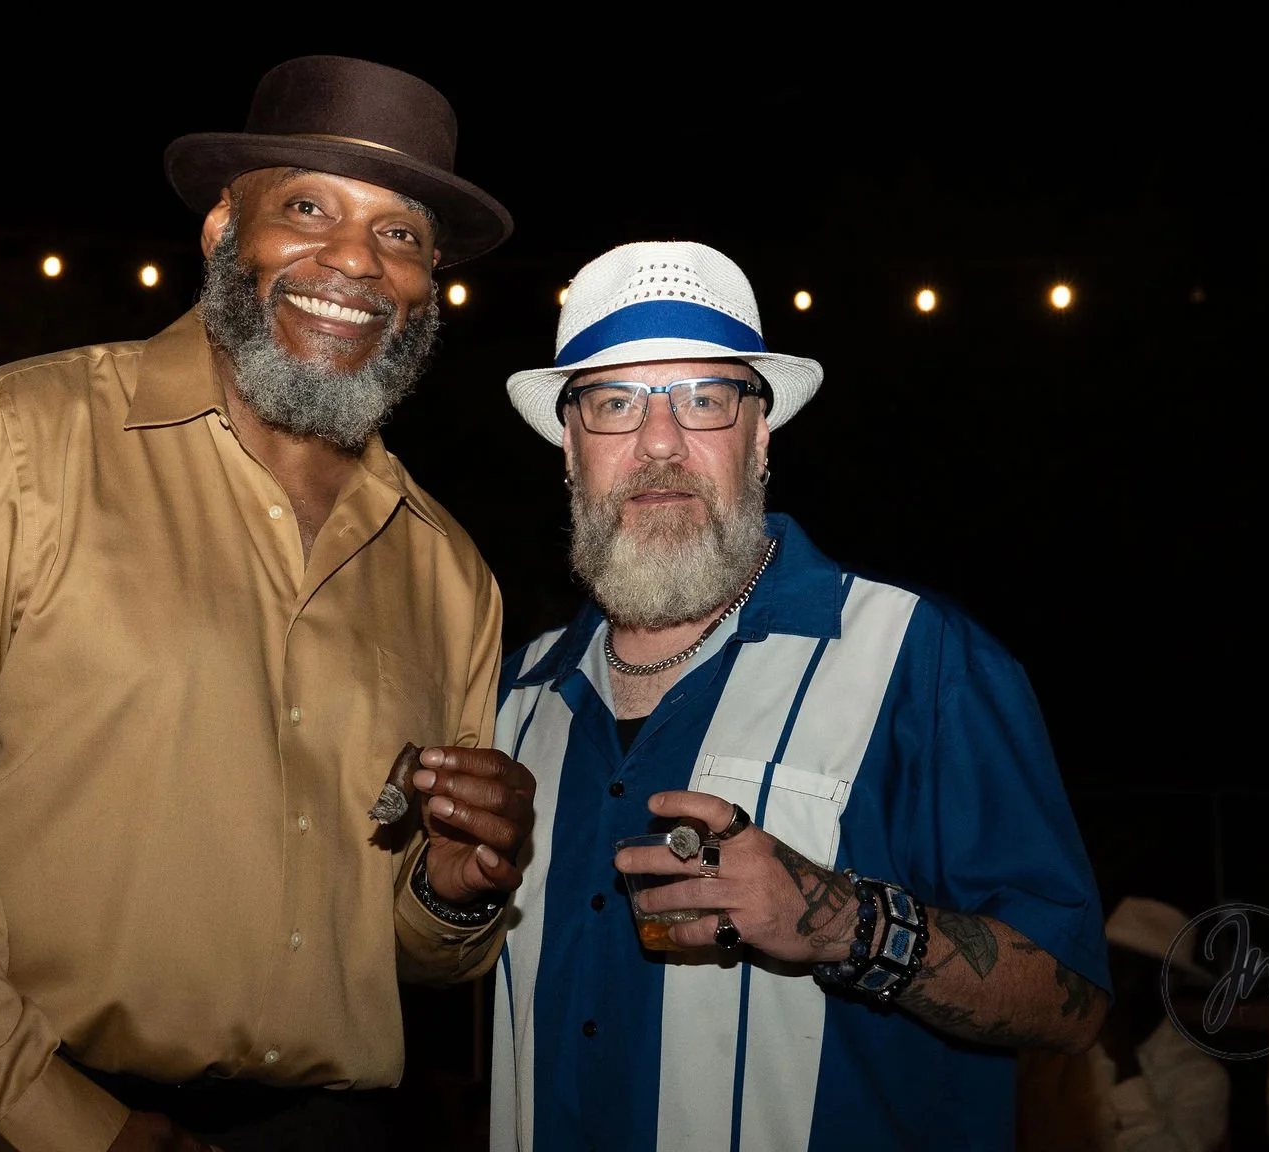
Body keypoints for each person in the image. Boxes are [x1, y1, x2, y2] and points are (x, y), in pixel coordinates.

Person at [0, 55, 537, 1152]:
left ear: (428, 285)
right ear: (225, 227)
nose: (352, 263)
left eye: (400, 234)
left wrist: (456, 893)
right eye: (309, 207)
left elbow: (400, 946)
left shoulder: (448, 573)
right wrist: (54, 1115)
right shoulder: (14, 437)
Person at [486, 240, 1112, 1150]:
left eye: (705, 399)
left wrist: (843, 925)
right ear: (571, 451)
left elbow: (1073, 1003)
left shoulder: (920, 660)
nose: (660, 442)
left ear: (761, 434)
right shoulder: (516, 695)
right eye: (615, 403)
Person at [1017, 896, 1230, 1151]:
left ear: (1168, 982)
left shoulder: (1199, 1079)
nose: (1105, 980)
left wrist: (1126, 1066)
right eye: (1104, 965)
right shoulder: (1064, 1050)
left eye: (1124, 967)